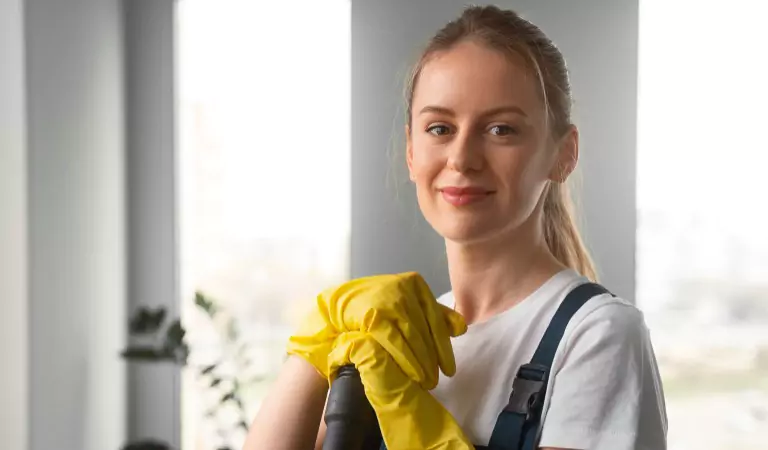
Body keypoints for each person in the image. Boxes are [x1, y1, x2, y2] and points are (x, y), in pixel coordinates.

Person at [244, 5, 667, 450]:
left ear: (564, 154)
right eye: (440, 128)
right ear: (411, 151)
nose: (462, 158)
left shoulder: (599, 336)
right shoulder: (397, 336)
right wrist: (317, 342)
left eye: (501, 129)